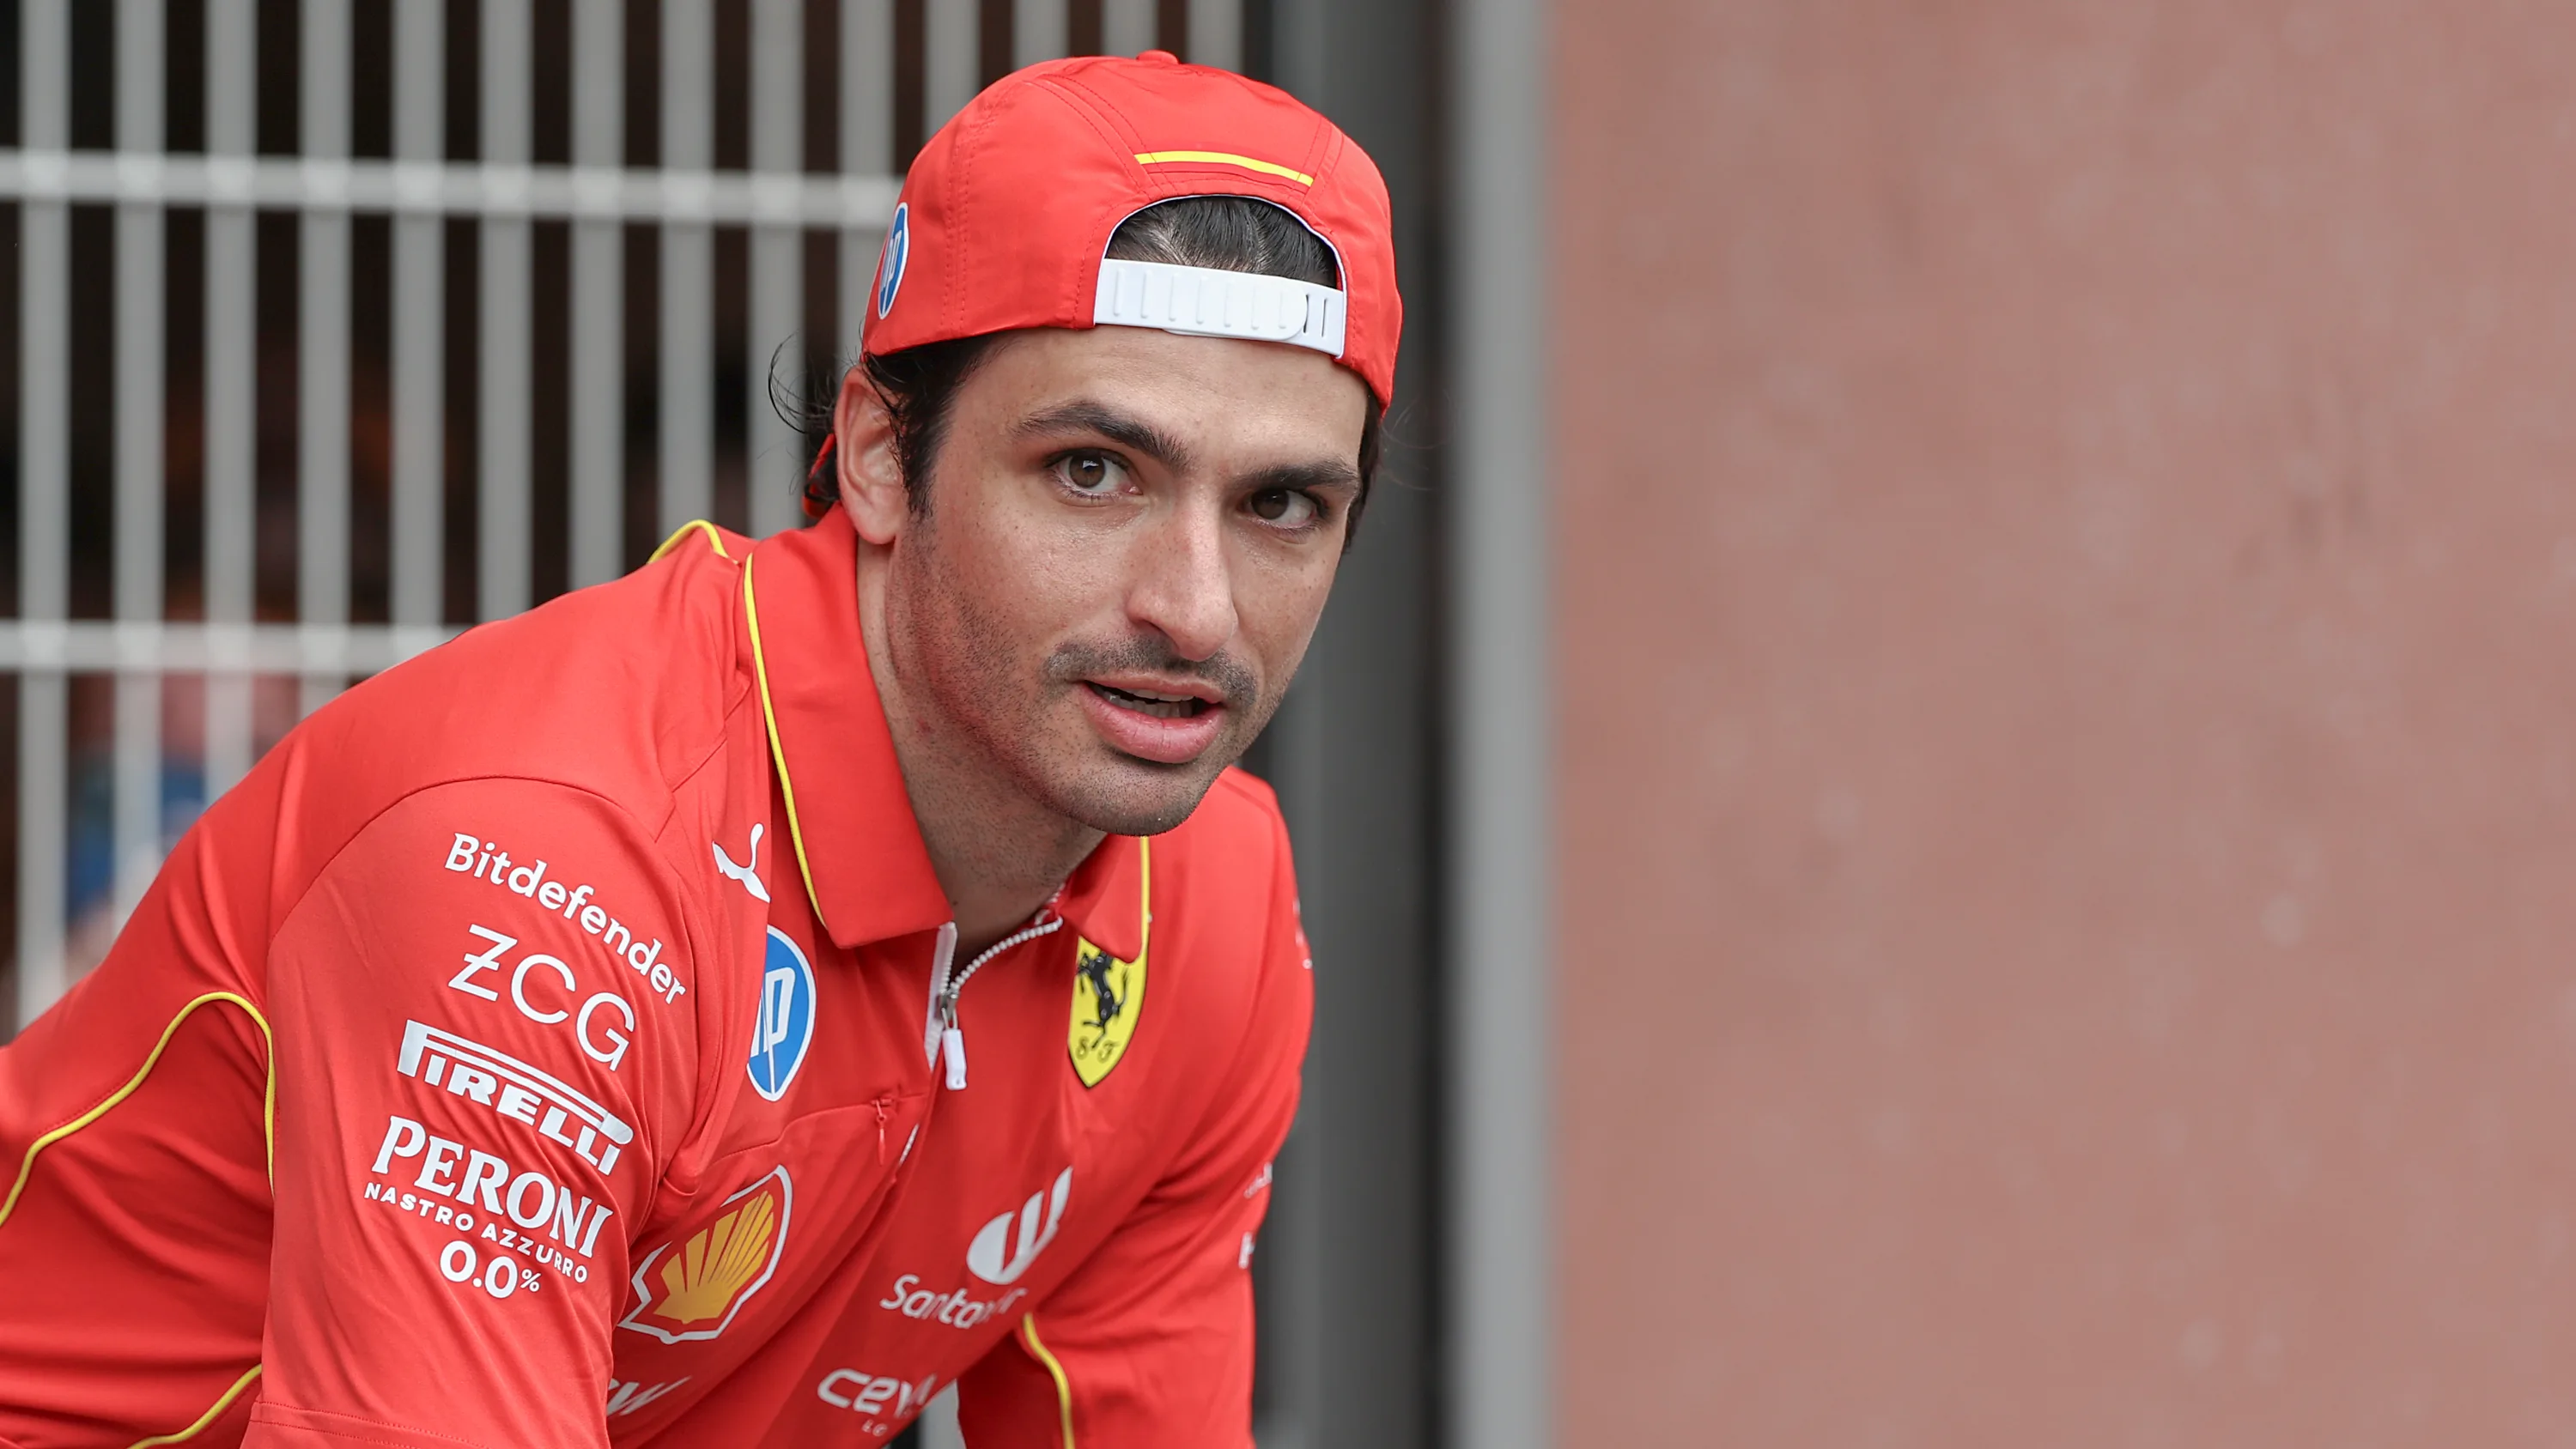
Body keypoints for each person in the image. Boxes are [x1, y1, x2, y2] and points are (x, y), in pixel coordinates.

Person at [0, 50, 1398, 1448]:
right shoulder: (547, 858)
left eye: (1282, 504)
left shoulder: (1208, 906)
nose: (1195, 607)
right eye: (1092, 472)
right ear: (874, 458)